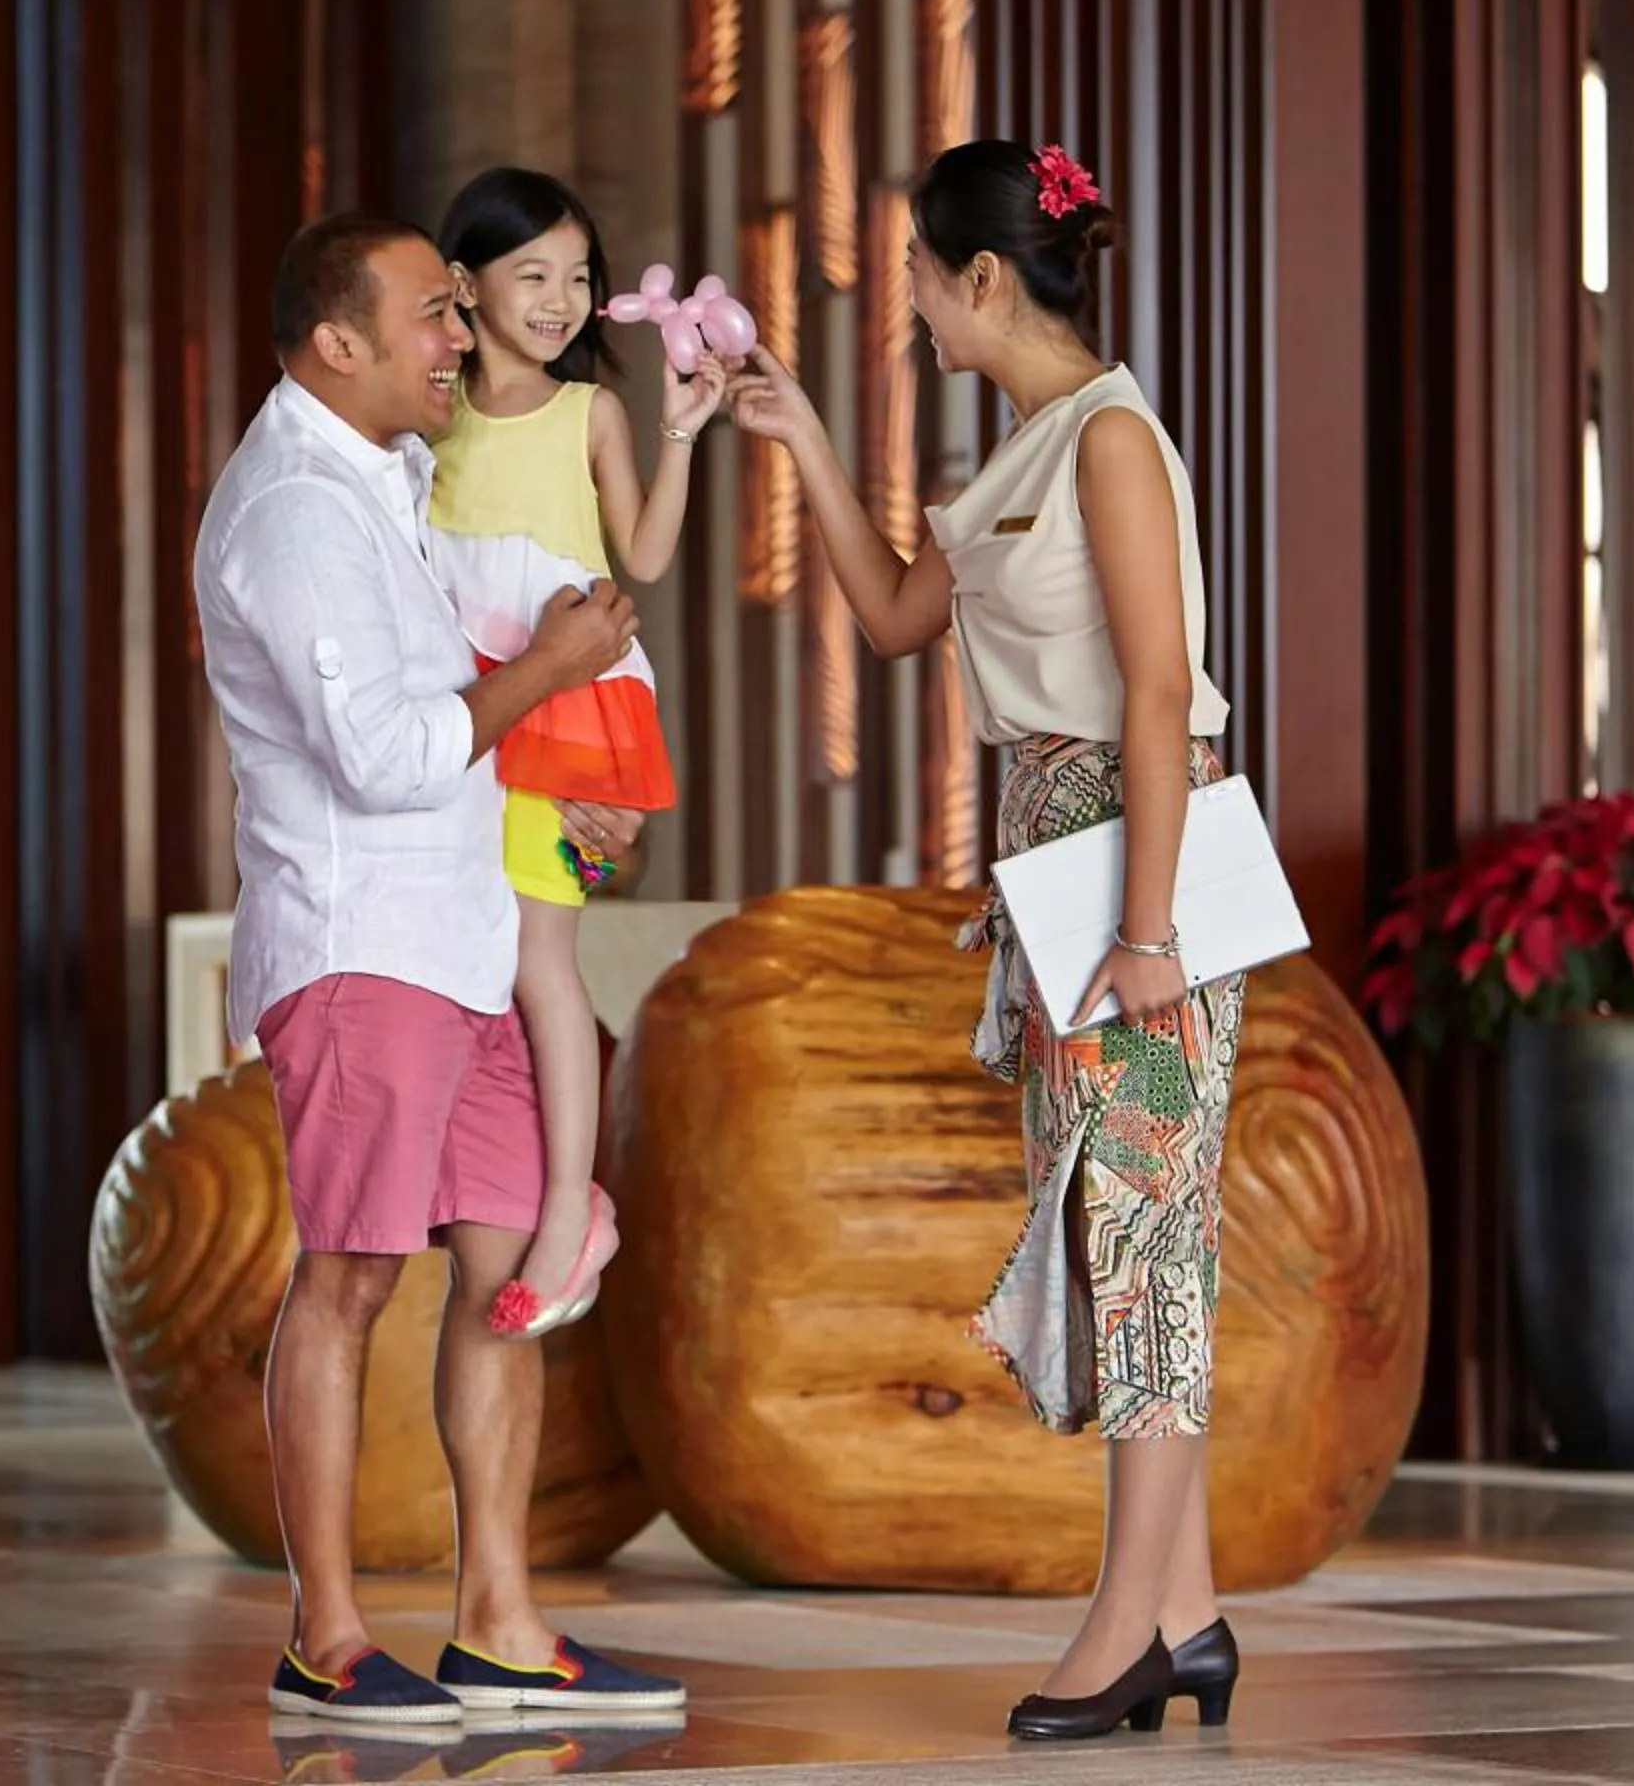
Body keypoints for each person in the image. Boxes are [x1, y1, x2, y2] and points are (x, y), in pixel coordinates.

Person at [731, 141, 1244, 1741]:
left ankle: (1125, 1634)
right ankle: (1191, 1611)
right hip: (1061, 858)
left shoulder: (1106, 440)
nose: (906, 306)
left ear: (980, 279)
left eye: (913, 274)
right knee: (1115, 1233)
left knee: (1147, 1248)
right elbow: (893, 615)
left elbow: (1158, 692)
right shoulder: (1022, 449)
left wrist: (1150, 931)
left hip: (1142, 863)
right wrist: (805, 441)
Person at [193, 211, 688, 1725]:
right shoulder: (291, 508)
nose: (460, 338)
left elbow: (454, 714)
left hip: (466, 938)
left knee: (500, 1285)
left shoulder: (393, 481)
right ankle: (325, 1634)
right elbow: (388, 752)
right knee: (347, 1278)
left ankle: (500, 1624)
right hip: (361, 951)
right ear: (337, 342)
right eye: (432, 314)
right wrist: (544, 669)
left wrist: (571, 763)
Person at [426, 167, 725, 1338]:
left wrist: (682, 432)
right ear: (464, 283)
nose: (560, 298)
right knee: (481, 956)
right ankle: (502, 1189)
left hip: (571, 702)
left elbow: (642, 556)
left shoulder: (585, 413)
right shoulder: (428, 417)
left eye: (578, 276)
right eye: (531, 273)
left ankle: (567, 1210)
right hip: (460, 709)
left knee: (539, 960)